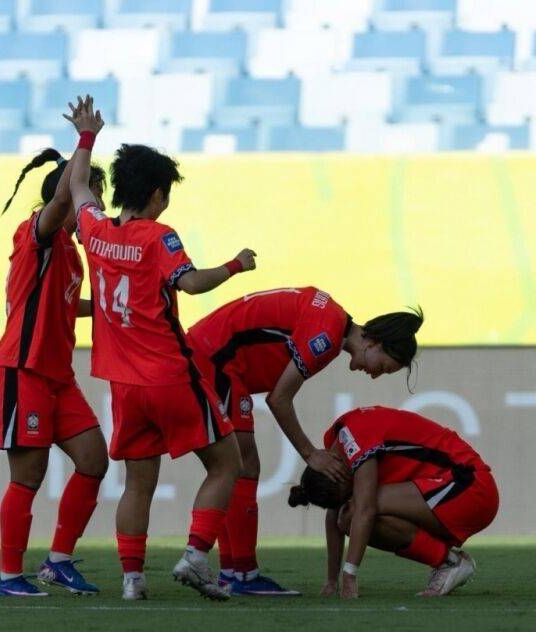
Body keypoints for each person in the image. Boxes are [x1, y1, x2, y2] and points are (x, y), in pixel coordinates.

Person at [66, 96, 257, 601]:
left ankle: (132, 580)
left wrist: (86, 137)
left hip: (123, 386)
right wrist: (236, 265)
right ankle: (195, 556)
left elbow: (80, 185)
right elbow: (190, 284)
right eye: (165, 194)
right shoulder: (159, 238)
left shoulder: (96, 230)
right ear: (156, 194)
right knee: (227, 464)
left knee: (137, 483)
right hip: (171, 377)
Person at [187, 288, 423, 596]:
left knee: (240, 467)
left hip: (215, 355)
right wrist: (311, 454)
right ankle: (241, 574)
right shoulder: (325, 335)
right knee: (242, 467)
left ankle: (234, 573)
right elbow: (279, 399)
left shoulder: (331, 320)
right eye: (383, 366)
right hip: (216, 358)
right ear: (374, 342)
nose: (376, 375)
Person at [0, 99, 109, 597]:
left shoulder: (70, 252)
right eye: (90, 197)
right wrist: (86, 140)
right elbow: (63, 200)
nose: (94, 208)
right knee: (30, 474)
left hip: (59, 377)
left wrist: (106, 309)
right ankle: (8, 575)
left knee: (94, 459)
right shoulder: (37, 232)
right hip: (23, 371)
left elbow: (61, 303)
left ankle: (58, 561)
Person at [288, 405, 500, 598]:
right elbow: (336, 515)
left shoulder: (355, 440)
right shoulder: (336, 448)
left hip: (471, 488)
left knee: (356, 512)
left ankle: (448, 562)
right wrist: (331, 581)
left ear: (339, 472)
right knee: (350, 514)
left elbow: (363, 510)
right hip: (448, 488)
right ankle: (449, 562)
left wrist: (349, 576)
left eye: (348, 490)